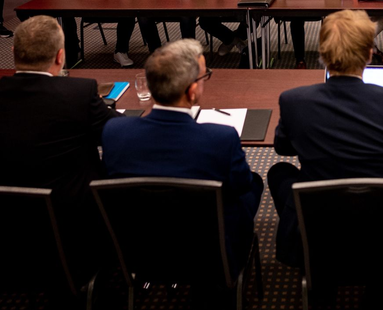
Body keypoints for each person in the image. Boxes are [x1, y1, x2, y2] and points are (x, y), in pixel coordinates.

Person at [267, 10, 383, 268]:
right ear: (370, 53)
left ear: (322, 54)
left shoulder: (293, 100)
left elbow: (282, 147)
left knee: (279, 172)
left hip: (322, 216)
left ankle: (310, 252)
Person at [101, 39, 263, 276]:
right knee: (254, 183)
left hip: (140, 250)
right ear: (192, 90)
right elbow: (240, 186)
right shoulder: (221, 138)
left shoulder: (114, 132)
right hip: (210, 255)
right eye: (203, 76)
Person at [0, 16, 120, 274]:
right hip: (73, 227)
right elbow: (119, 135)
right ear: (60, 56)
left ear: (13, 53)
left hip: (1, 226)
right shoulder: (80, 93)